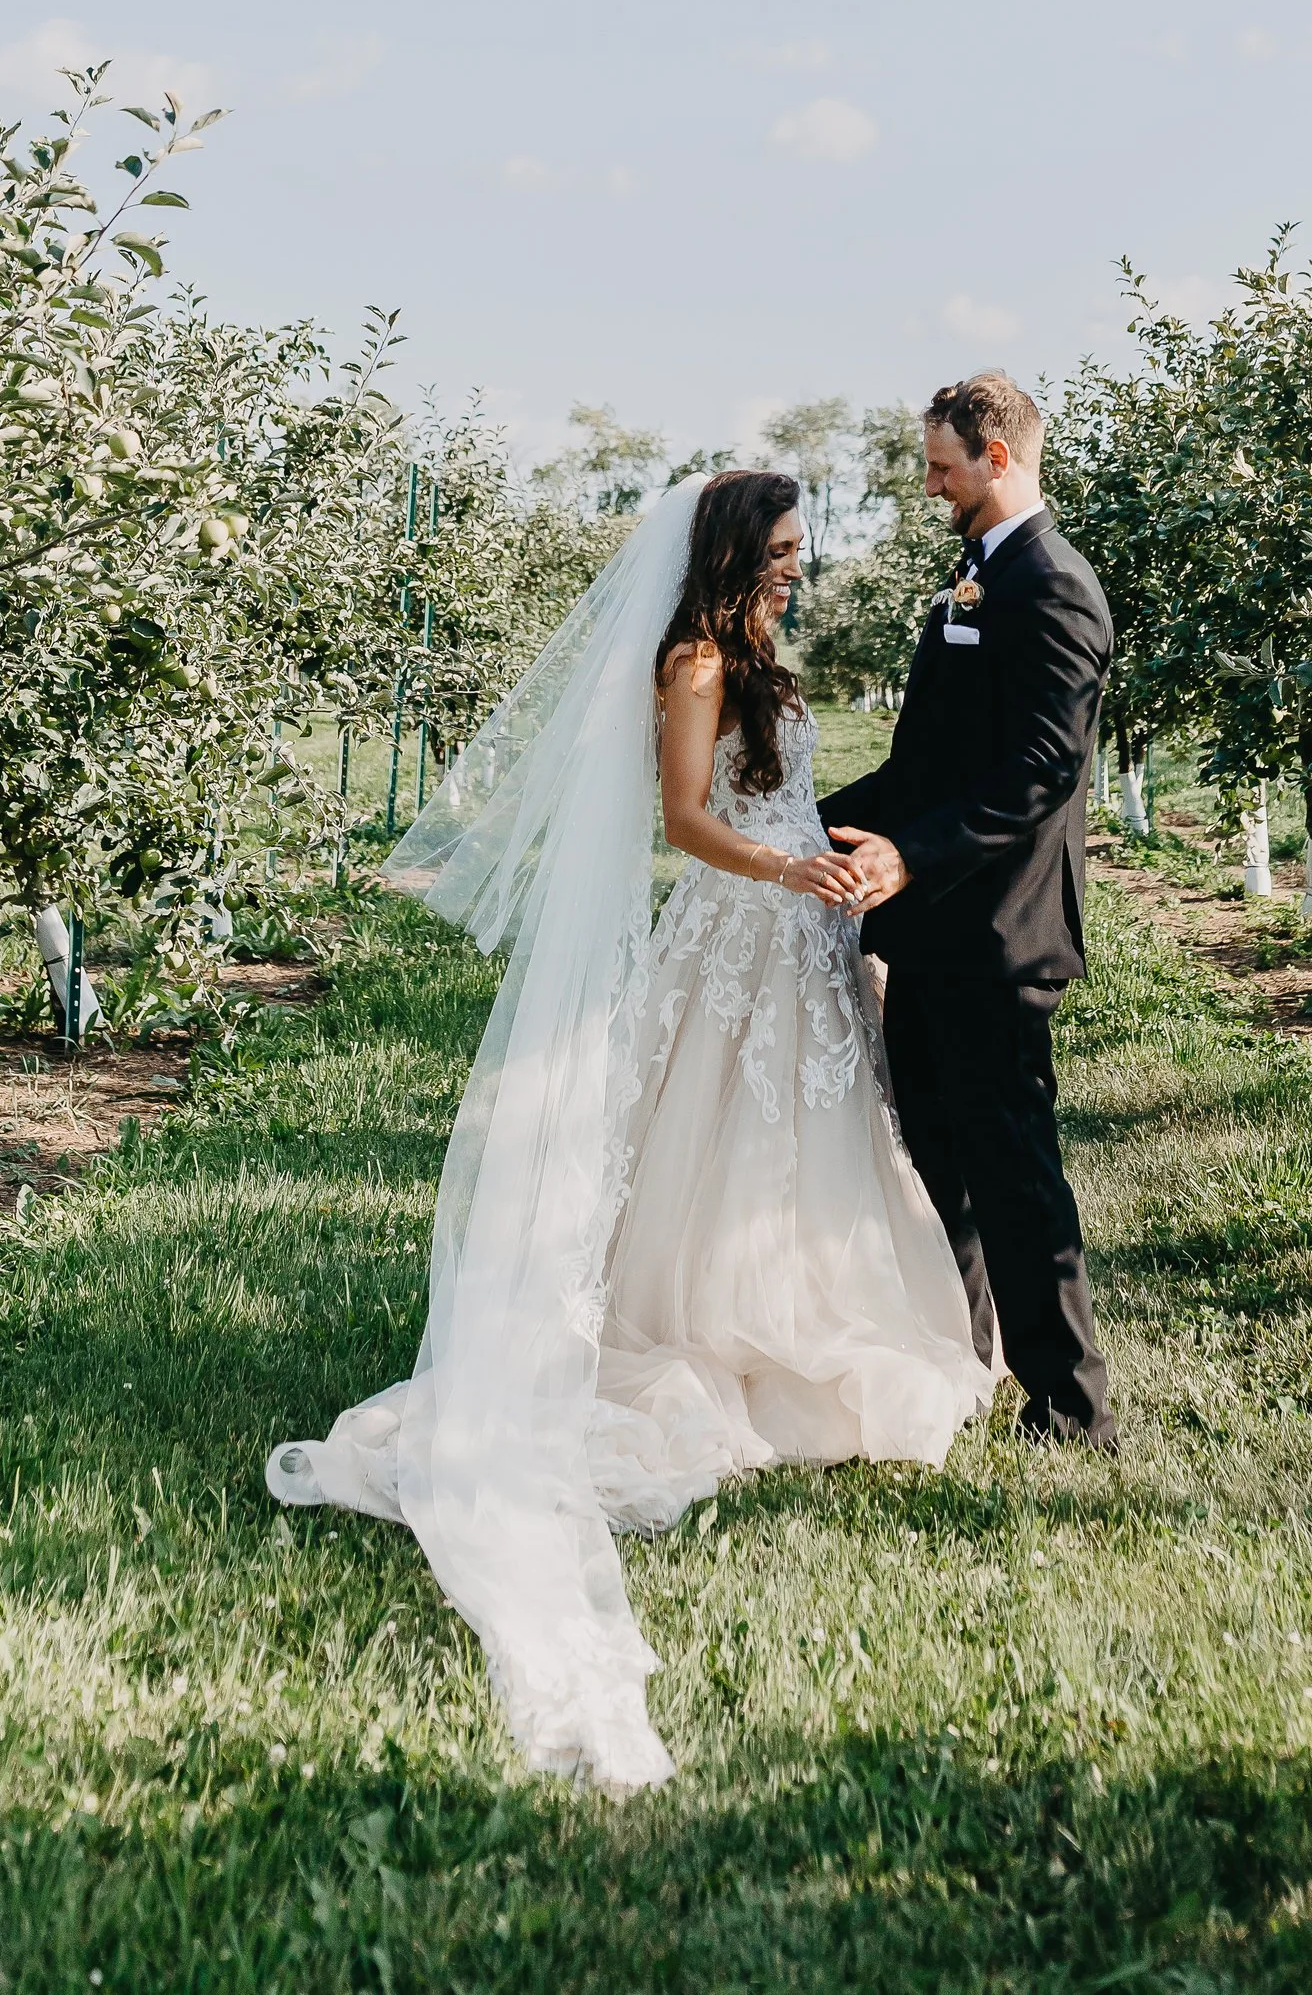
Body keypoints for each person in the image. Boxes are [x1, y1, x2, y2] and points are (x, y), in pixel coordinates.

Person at [264, 469, 990, 1793]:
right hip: (737, 932)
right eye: (777, 550)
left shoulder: (758, 649)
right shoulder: (697, 657)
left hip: (804, 934)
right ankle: (715, 1329)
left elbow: (776, 796)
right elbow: (687, 822)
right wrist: (790, 869)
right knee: (717, 1138)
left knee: (809, 1151)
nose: (793, 568)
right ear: (727, 551)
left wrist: (834, 861)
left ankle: (812, 1306)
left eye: (798, 551)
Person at [824, 372, 1118, 1448]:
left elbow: (1043, 768)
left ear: (997, 455)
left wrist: (911, 856)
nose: (932, 484)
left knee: (1012, 1173)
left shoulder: (1054, 587)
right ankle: (961, 1367)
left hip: (998, 930)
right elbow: (929, 762)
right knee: (934, 1163)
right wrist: (794, 830)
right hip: (937, 927)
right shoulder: (975, 574)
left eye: (943, 466)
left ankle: (1072, 1408)